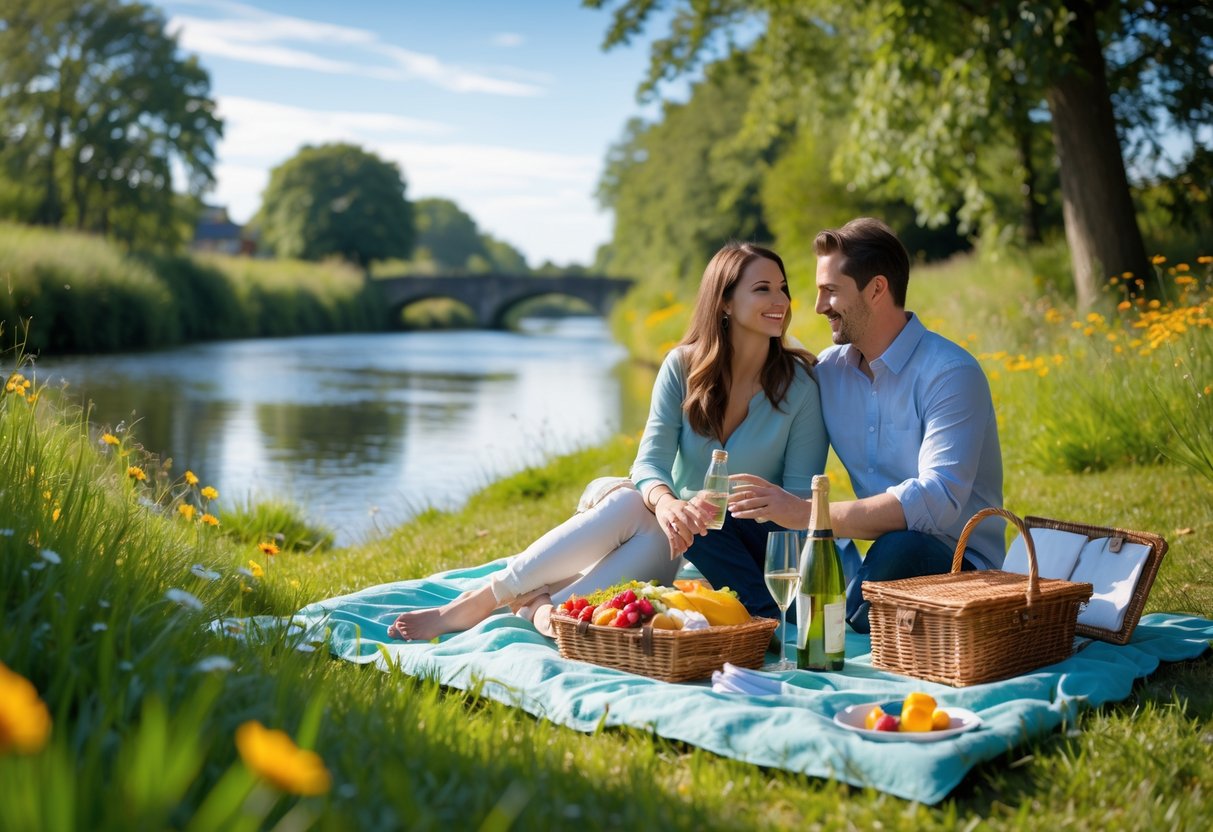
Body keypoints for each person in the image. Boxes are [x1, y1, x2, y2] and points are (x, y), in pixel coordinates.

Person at [388, 241, 828, 641]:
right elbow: (649, 464)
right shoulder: (682, 367)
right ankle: (481, 601)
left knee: (655, 527)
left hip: (734, 552)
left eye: (784, 288)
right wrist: (670, 504)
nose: (781, 301)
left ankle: (543, 610)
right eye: (764, 289)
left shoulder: (801, 385)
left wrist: (722, 513)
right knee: (639, 505)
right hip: (664, 531)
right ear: (726, 301)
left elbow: (795, 503)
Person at [725, 217, 1004, 633]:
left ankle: (840, 612)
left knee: (896, 553)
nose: (819, 307)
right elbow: (761, 406)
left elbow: (937, 500)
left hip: (957, 564)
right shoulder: (829, 372)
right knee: (730, 525)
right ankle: (781, 617)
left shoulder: (950, 373)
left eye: (831, 291)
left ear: (876, 289)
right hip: (873, 552)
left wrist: (808, 514)